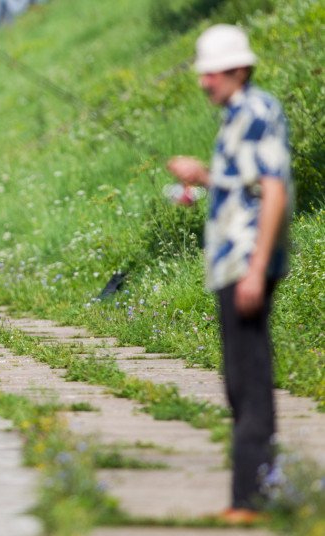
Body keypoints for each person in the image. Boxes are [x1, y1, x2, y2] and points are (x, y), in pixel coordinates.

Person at [166, 24, 293, 524]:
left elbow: (275, 189)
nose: (204, 82)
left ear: (239, 69)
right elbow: (245, 182)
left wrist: (256, 270)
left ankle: (251, 500)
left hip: (246, 264)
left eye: (212, 72)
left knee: (250, 377)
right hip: (232, 265)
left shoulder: (258, 111)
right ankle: (253, 493)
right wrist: (204, 176)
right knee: (238, 380)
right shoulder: (238, 115)